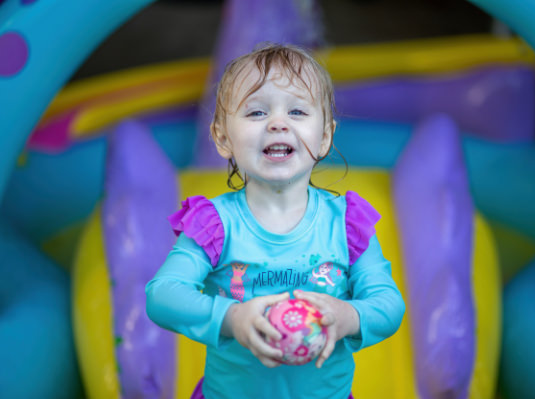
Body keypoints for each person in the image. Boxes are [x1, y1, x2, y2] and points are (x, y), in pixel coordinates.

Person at [145, 43, 405, 399]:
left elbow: (388, 302)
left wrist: (350, 317)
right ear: (222, 137)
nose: (278, 123)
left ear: (326, 135)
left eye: (297, 111)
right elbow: (162, 295)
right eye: (256, 113)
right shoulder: (216, 225)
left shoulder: (346, 224)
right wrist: (231, 319)